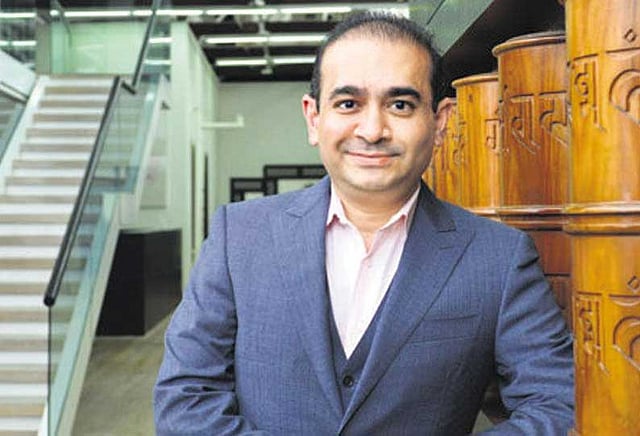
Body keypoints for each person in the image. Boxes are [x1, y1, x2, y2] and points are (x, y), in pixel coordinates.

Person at [154, 11, 574, 435]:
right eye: (348, 104)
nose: (372, 130)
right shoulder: (239, 237)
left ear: (440, 121)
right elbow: (185, 399)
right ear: (314, 118)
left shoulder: (499, 258)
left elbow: (557, 404)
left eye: (400, 105)